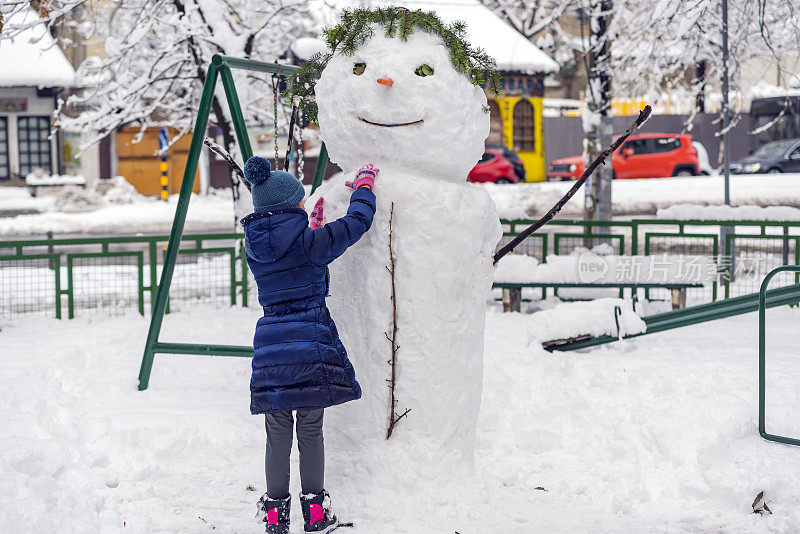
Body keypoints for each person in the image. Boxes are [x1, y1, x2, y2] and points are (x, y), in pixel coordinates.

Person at [240, 157, 378, 534]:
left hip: (270, 349)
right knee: (311, 429)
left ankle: (274, 514)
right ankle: (315, 514)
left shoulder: (253, 247)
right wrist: (363, 189)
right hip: (310, 344)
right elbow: (356, 224)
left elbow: (287, 256)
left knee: (277, 432)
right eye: (300, 202)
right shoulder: (312, 244)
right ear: (291, 206)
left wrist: (311, 226)